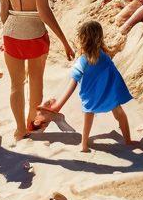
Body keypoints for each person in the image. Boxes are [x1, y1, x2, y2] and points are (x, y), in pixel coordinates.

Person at [0, 0, 75, 140]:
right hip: (34, 32)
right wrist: (64, 41)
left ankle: (19, 129)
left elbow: (3, 10)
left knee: (16, 85)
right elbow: (44, 12)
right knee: (36, 82)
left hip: (11, 31)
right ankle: (32, 125)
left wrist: (10, 30)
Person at [41, 20, 134, 153]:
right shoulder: (105, 57)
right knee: (120, 115)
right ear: (100, 38)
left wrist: (58, 105)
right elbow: (115, 76)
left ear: (83, 39)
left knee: (88, 120)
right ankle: (128, 140)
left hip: (91, 97)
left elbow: (72, 84)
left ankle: (84, 145)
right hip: (109, 95)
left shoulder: (83, 61)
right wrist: (118, 93)